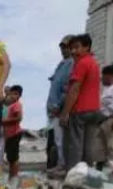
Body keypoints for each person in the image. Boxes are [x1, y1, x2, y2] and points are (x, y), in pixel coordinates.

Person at [59, 33, 101, 174]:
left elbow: (74, 90)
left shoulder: (81, 63)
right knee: (88, 146)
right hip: (94, 110)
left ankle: (73, 177)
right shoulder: (93, 62)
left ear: (87, 47)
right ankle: (88, 177)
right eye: (71, 48)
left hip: (80, 110)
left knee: (74, 146)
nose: (73, 51)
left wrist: (65, 113)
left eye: (77, 47)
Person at [46, 35, 74, 170]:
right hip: (54, 110)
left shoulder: (72, 63)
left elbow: (67, 88)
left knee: (62, 140)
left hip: (61, 109)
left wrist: (59, 106)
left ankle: (63, 165)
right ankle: (61, 164)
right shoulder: (61, 65)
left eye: (66, 47)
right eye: (62, 47)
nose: (63, 50)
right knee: (57, 140)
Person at [2, 85, 23, 179]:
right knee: (10, 157)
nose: (13, 96)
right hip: (9, 135)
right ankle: (11, 176)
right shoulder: (9, 105)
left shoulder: (17, 105)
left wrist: (4, 121)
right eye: (12, 94)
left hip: (15, 134)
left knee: (14, 157)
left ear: (19, 96)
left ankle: (14, 177)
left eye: (16, 94)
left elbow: (19, 118)